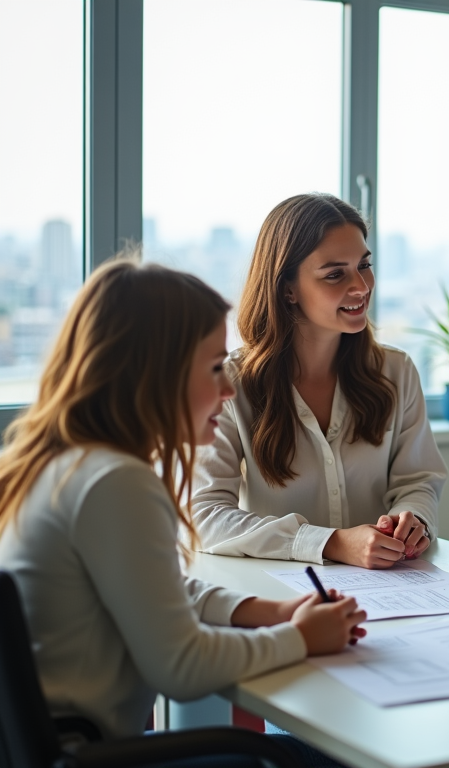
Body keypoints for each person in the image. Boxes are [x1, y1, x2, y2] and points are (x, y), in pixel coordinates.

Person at [0, 260, 365, 761]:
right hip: (94, 754)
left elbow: (152, 588)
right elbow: (182, 667)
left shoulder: (63, 463)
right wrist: (298, 639)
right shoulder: (114, 483)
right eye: (215, 367)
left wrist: (265, 612)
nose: (229, 389)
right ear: (155, 372)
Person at [192, 193, 447, 568]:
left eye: (364, 264)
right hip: (282, 596)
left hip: (389, 589)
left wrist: (413, 518)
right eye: (334, 274)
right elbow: (205, 517)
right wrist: (330, 543)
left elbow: (418, 480)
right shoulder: (232, 385)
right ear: (287, 289)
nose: (361, 285)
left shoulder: (396, 371)